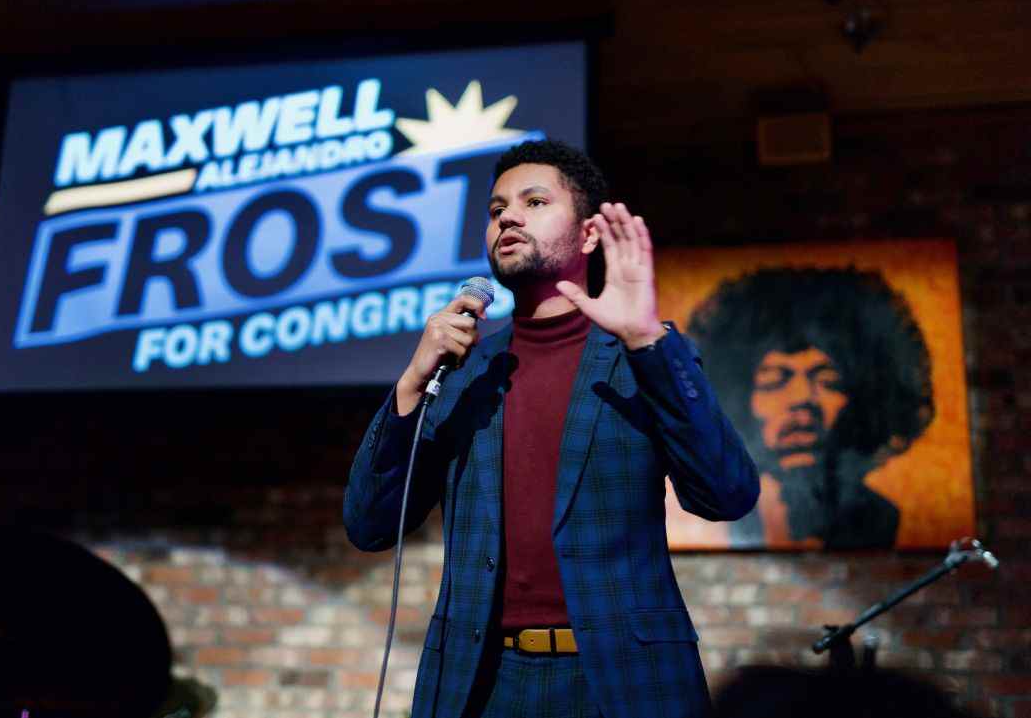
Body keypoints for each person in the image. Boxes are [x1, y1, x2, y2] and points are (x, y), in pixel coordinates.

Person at [343, 139, 759, 718]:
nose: (508, 216)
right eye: (496, 210)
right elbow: (368, 525)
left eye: (534, 201)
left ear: (589, 235)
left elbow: (728, 495)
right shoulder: (463, 373)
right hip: (481, 683)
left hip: (621, 681)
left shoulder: (641, 356)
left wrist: (646, 342)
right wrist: (412, 383)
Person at [685, 267, 934, 548]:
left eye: (828, 381)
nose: (803, 398)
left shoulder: (880, 520)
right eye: (775, 380)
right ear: (738, 398)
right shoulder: (706, 517)